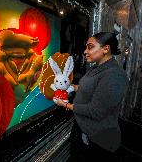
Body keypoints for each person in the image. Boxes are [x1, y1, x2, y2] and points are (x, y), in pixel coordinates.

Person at [54, 32, 129, 161]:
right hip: (81, 127)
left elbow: (96, 111)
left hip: (95, 137)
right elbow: (85, 88)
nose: (85, 51)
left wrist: (65, 105)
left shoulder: (114, 75)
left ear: (106, 49)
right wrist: (66, 86)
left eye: (90, 47)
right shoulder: (96, 68)